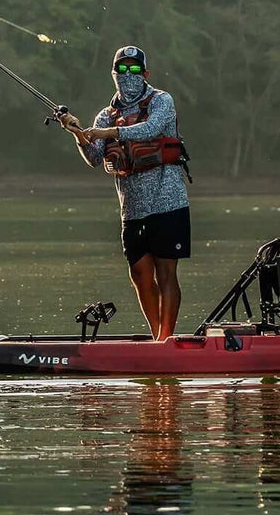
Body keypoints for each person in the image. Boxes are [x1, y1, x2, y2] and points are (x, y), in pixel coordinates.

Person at [60, 46, 190, 340]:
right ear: (114, 74)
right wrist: (78, 133)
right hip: (132, 209)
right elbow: (94, 157)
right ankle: (156, 337)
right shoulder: (106, 115)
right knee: (140, 276)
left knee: (166, 274)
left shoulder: (161, 101)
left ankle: (165, 340)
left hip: (168, 203)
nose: (127, 75)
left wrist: (107, 134)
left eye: (134, 70)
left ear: (145, 74)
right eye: (122, 69)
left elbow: (151, 129)